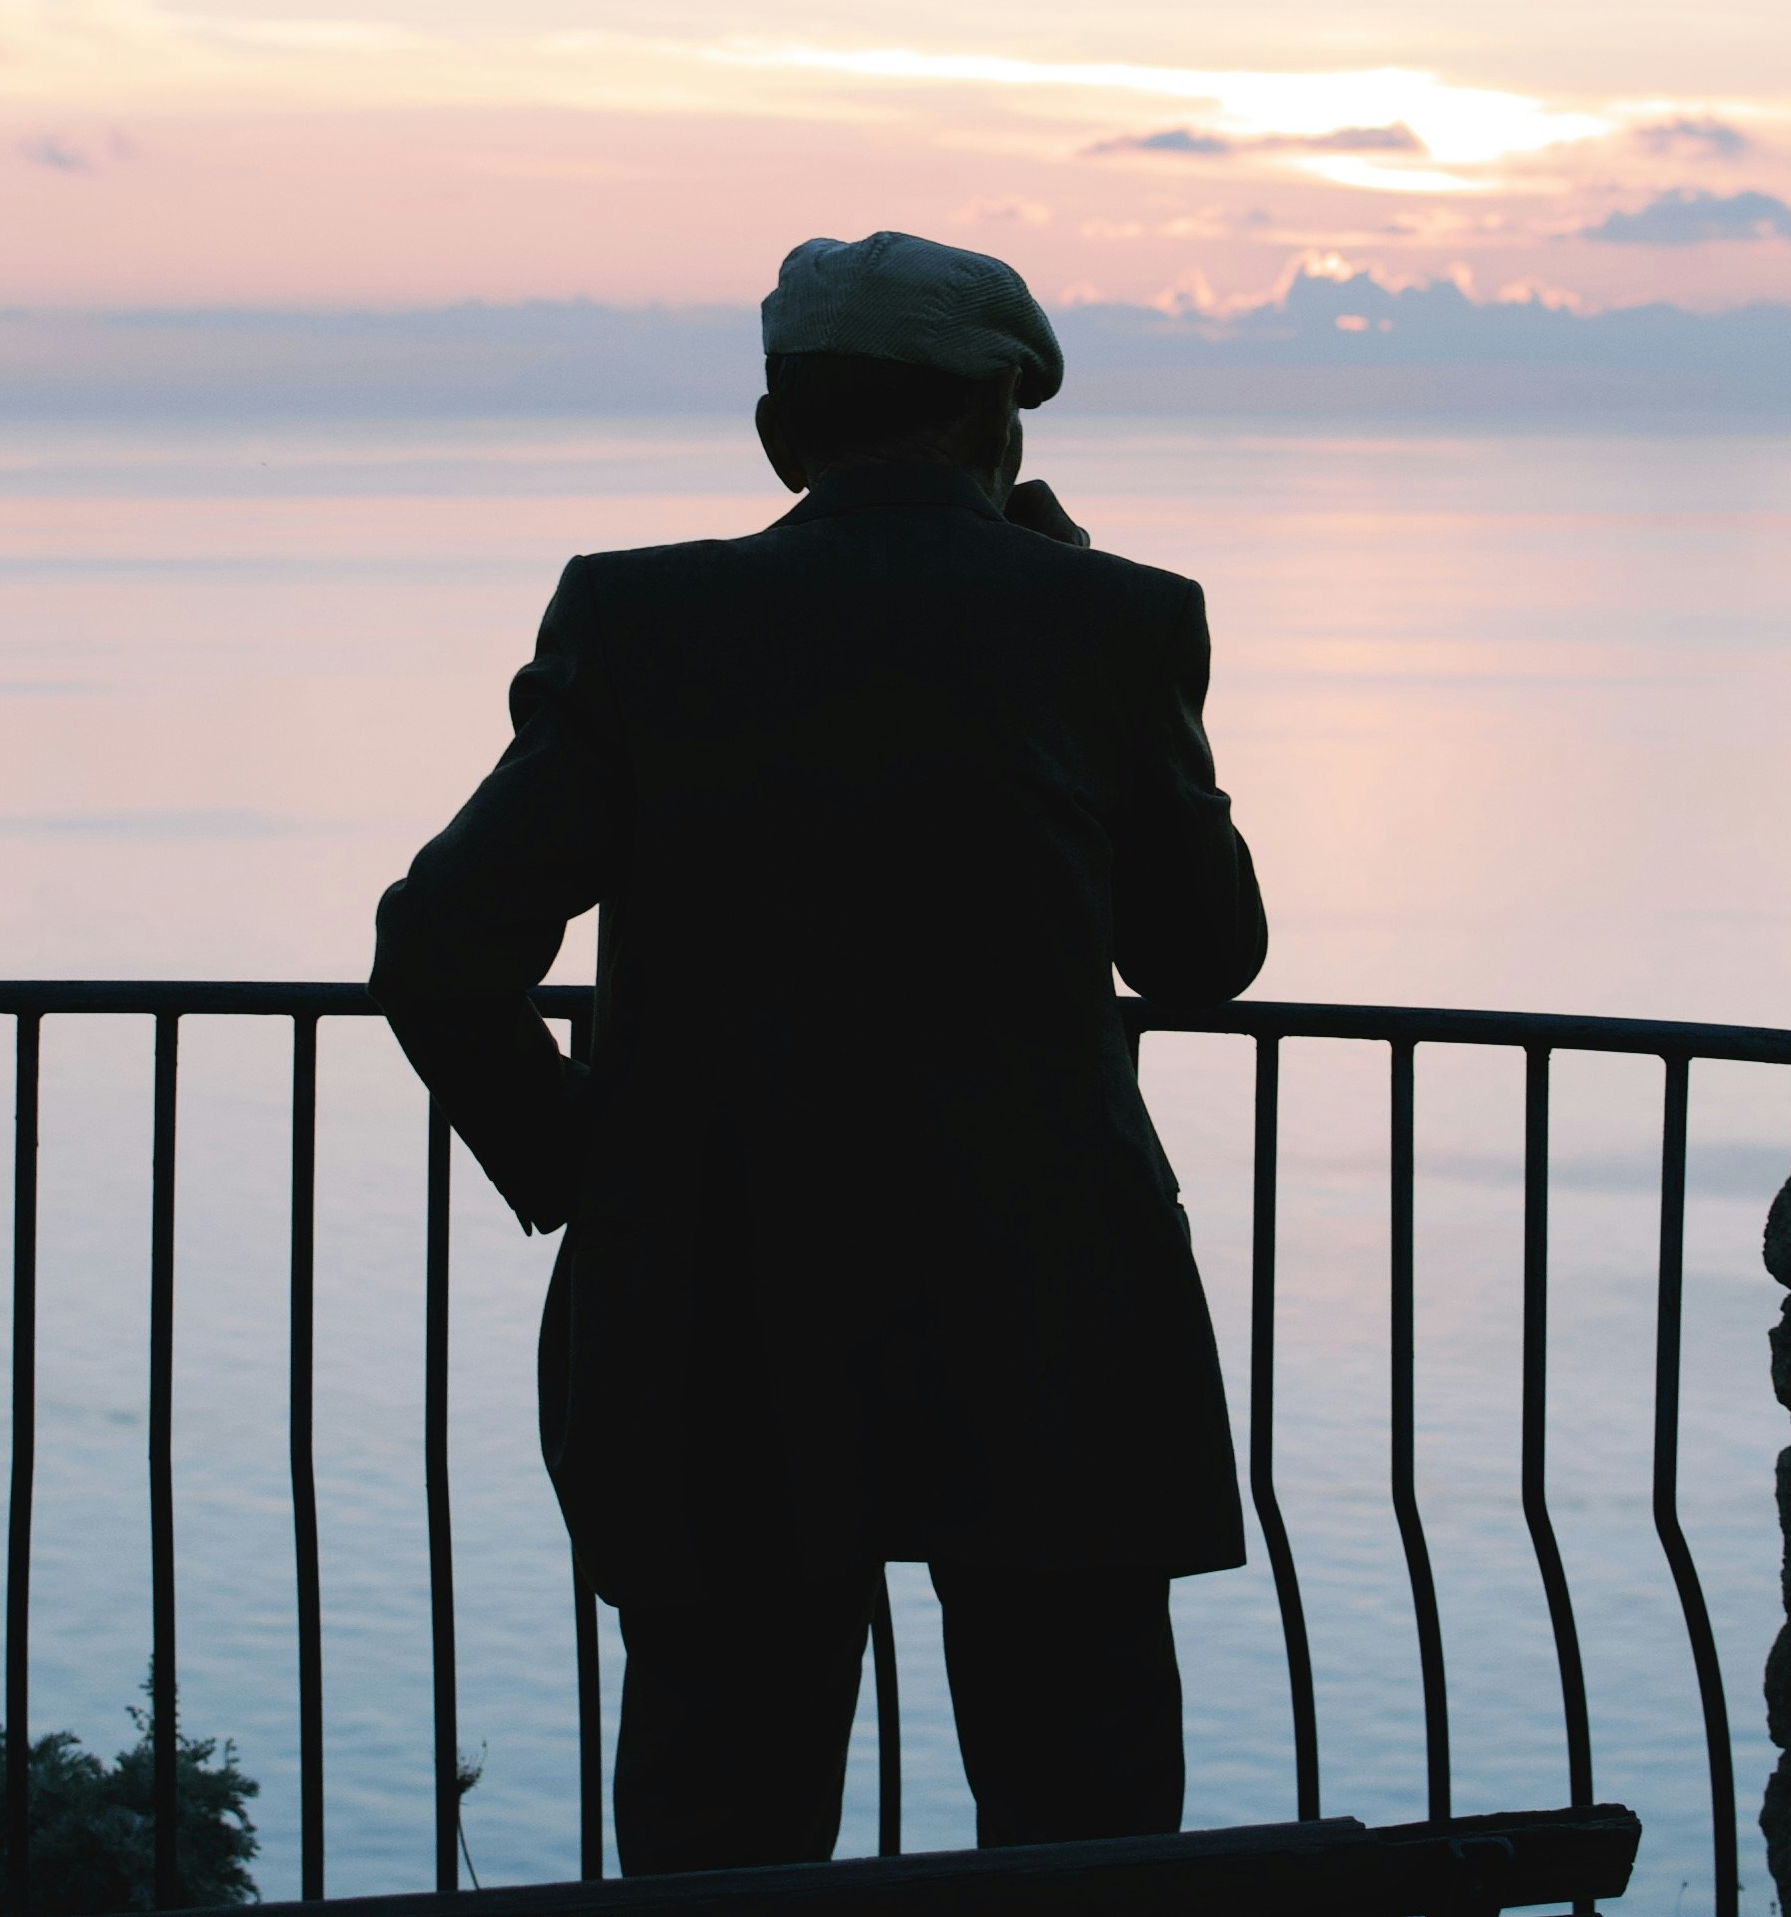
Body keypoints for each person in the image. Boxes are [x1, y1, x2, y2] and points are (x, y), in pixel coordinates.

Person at [371, 230, 1270, 1874]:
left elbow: (439, 946)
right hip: (1046, 1308)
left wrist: (584, 1165)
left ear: (782, 436)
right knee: (1088, 1827)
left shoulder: (641, 622)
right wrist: (1100, 623)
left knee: (726, 1816)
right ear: (1005, 420)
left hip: (722, 1308)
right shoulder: (1115, 622)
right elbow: (1205, 960)